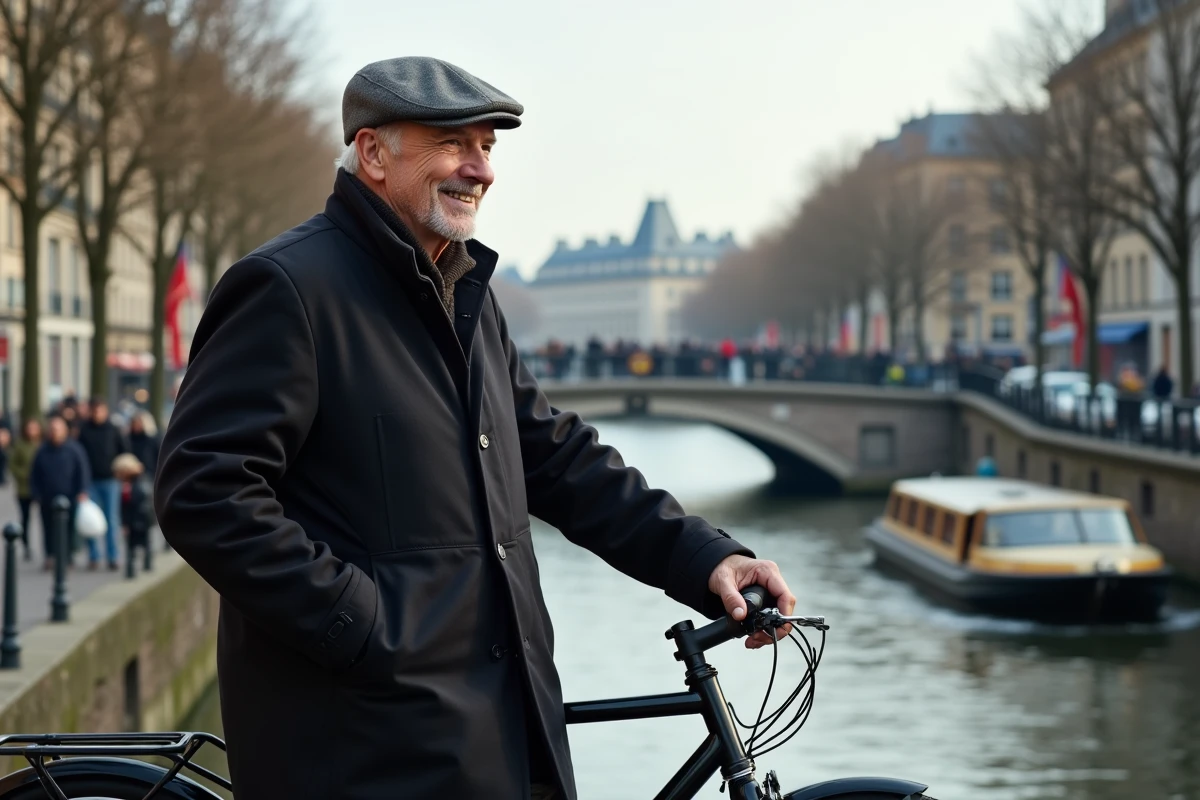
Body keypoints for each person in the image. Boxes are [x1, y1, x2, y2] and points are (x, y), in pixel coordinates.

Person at [154, 56, 796, 800]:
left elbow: (553, 456)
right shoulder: (289, 288)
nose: (480, 169)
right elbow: (203, 492)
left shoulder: (465, 293)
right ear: (372, 153)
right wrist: (363, 625)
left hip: (496, 730)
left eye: (487, 147)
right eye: (453, 144)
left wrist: (703, 558)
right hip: (367, 749)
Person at [30, 415, 90, 571]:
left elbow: (82, 470)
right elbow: (35, 474)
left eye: (57, 429)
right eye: (52, 429)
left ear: (64, 431)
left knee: (69, 529)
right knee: (48, 528)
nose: (54, 432)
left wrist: (82, 490)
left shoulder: (74, 449)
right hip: (47, 497)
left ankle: (68, 556)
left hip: (70, 496)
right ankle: (50, 555)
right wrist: (36, 493)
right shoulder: (42, 450)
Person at [76, 399, 127, 570]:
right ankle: (94, 556)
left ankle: (113, 556)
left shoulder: (113, 429)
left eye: (100, 411)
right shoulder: (84, 430)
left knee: (111, 519)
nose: (97, 414)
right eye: (95, 411)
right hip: (90, 481)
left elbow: (123, 451)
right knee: (90, 519)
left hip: (110, 480)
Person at [8, 419, 42, 560]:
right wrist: (25, 475)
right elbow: (12, 465)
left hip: (41, 488)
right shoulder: (20, 445)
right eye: (30, 428)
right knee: (25, 518)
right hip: (24, 489)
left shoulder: (42, 444)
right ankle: (26, 545)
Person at [114, 453, 154, 574]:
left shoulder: (134, 485)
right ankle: (135, 567)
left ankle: (143, 564)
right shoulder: (139, 481)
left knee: (140, 544)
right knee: (135, 545)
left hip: (138, 519)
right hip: (137, 519)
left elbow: (136, 501)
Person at [127, 412, 160, 478]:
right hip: (131, 473)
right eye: (134, 423)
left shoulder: (152, 440)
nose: (136, 426)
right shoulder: (128, 439)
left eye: (138, 423)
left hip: (149, 473)